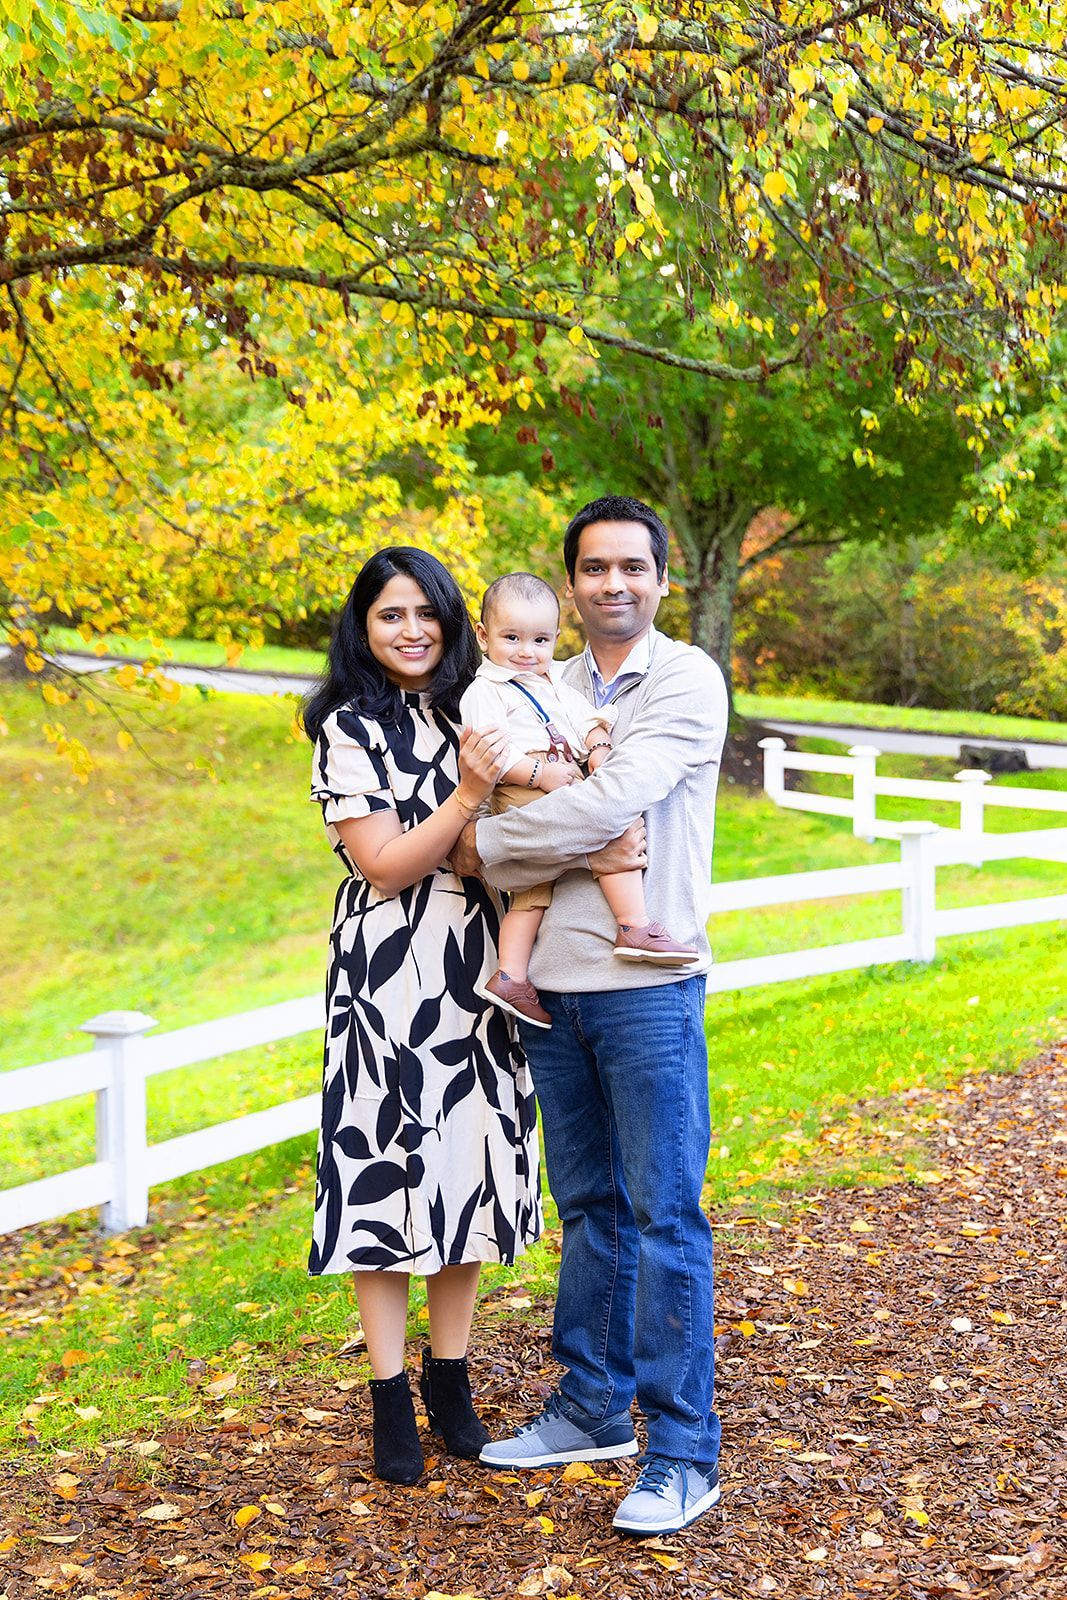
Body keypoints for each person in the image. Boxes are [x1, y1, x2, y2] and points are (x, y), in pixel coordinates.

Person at [451, 496, 728, 1536]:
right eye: (593, 568)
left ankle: (679, 1451)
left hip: (648, 982)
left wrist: (515, 842)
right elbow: (475, 829)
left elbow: (616, 796)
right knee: (590, 1210)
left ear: (661, 579)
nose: (612, 583)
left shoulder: (685, 679)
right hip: (551, 984)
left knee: (662, 1213)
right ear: (568, 584)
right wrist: (510, 836)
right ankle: (588, 1406)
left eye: (631, 567)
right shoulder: (533, 681)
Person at [303, 546, 542, 1486]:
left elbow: (507, 836)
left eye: (425, 613)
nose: (410, 631)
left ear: (452, 620)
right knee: (384, 1172)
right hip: (386, 974)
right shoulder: (344, 728)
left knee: (465, 1170)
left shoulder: (478, 707)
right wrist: (471, 799)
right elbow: (386, 864)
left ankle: (452, 1384)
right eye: (388, 615)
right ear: (362, 628)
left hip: (478, 965)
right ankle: (390, 1395)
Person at [459, 571, 698, 1028]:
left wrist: (598, 741)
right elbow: (488, 750)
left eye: (541, 640)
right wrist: (539, 773)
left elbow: (580, 714)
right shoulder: (484, 691)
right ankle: (634, 925)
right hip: (523, 780)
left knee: (532, 895)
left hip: (557, 771)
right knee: (614, 828)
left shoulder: (549, 678)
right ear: (484, 636)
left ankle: (510, 975)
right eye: (512, 638)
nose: (527, 652)